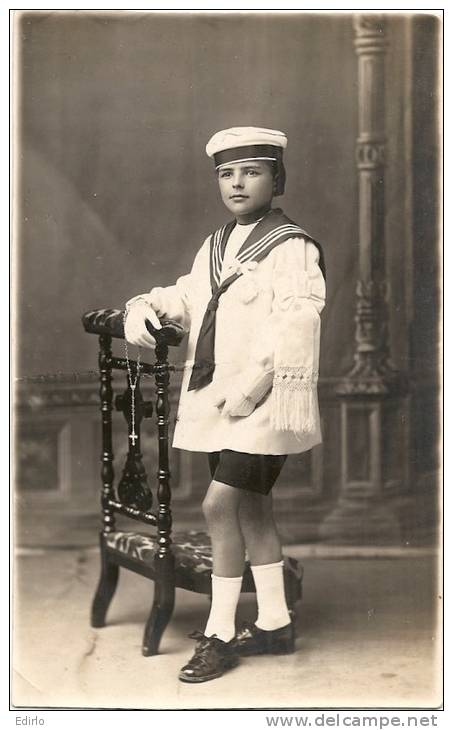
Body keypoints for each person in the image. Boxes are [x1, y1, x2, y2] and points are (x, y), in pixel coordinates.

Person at [124, 126, 326, 683]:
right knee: (251, 510)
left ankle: (219, 631)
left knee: (219, 507)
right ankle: (275, 622)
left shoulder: (292, 247)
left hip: (264, 403)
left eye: (251, 171)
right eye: (226, 173)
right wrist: (144, 305)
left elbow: (296, 325)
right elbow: (189, 296)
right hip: (218, 400)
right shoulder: (216, 244)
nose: (237, 183)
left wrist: (250, 393)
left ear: (275, 178)